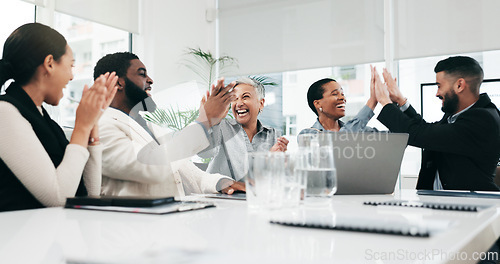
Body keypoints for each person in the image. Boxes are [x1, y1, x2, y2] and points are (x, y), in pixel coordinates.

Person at [0, 23, 117, 212]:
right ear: (49, 64)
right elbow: (58, 197)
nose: (71, 77)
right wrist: (81, 126)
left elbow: (90, 194)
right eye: (71, 65)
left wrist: (92, 125)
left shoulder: (47, 122)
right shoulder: (5, 112)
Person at [93, 52, 245, 197]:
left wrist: (221, 183)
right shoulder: (101, 127)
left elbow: (187, 174)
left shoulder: (150, 126)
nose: (150, 80)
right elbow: (152, 168)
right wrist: (205, 121)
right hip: (136, 221)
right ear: (119, 82)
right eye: (142, 74)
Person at [373, 56, 500, 191]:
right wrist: (401, 101)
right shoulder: (457, 115)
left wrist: (385, 103)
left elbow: (420, 134)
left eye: (439, 86)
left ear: (459, 85)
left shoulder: (483, 119)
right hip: (440, 204)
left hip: (468, 206)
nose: (437, 93)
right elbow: (426, 130)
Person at [198, 77, 289, 182]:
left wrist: (279, 160)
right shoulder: (221, 126)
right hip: (221, 196)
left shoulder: (272, 134)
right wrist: (206, 121)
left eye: (245, 97)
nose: (239, 103)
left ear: (261, 103)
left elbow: (275, 178)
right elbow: (203, 153)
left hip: (255, 196)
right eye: (234, 99)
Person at [299, 76, 378, 135]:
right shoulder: (307, 134)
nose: (342, 98)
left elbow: (389, 138)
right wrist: (372, 102)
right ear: (317, 103)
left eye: (342, 94)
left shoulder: (360, 130)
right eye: (335, 94)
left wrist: (389, 100)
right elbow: (339, 140)